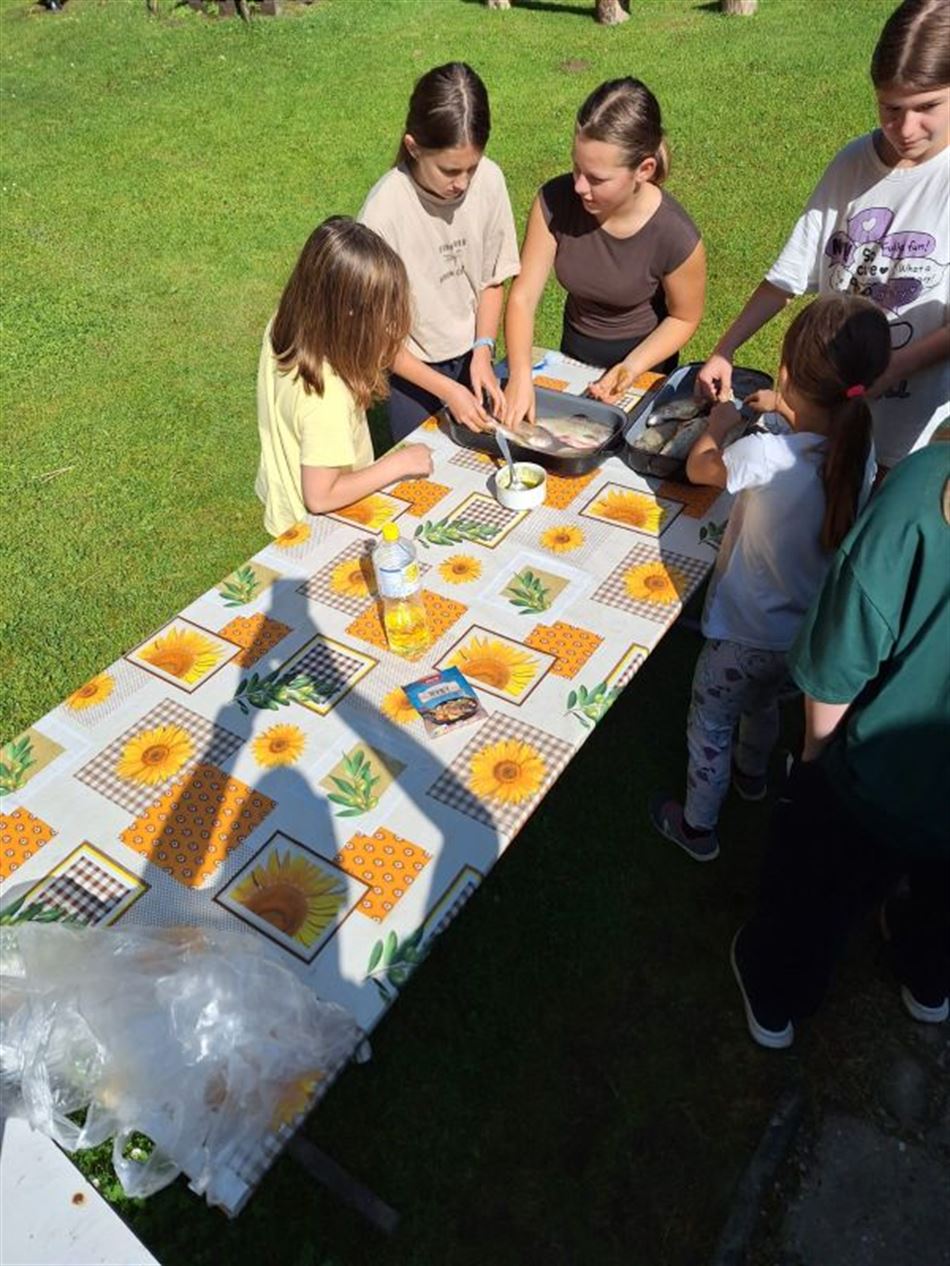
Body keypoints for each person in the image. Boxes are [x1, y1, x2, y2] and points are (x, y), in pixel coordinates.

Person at [650, 295, 891, 861]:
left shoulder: (762, 454)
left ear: (784, 372)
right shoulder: (860, 448)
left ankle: (698, 827)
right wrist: (782, 409)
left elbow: (700, 469)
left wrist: (719, 425)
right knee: (761, 707)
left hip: (741, 633)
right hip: (802, 638)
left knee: (710, 724)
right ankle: (752, 775)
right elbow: (814, 436)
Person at [731, 443, 950, 1049]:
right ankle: (929, 979)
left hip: (876, 779)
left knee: (814, 898)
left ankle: (775, 996)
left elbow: (835, 667)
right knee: (940, 899)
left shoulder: (920, 492)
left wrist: (813, 762)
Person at [697, 0, 950, 474]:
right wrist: (725, 349)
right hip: (829, 424)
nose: (905, 128)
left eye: (927, 107)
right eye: (891, 108)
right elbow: (787, 276)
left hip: (909, 441)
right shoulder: (852, 163)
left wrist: (893, 368)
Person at [503, 77, 705, 425]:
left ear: (644, 170)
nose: (580, 187)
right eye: (576, 168)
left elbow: (684, 317)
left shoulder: (676, 235)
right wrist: (520, 375)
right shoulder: (554, 201)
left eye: (596, 179)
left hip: (643, 370)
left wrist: (631, 367)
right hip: (572, 359)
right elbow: (523, 297)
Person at [359, 62, 521, 441]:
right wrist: (447, 389)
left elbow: (491, 280)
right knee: (425, 462)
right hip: (411, 371)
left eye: (471, 168)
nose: (462, 183)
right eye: (449, 171)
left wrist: (483, 349)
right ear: (413, 147)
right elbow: (379, 337)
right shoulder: (382, 213)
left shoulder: (490, 180)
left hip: (474, 351)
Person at [255, 217, 433, 537]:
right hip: (319, 529)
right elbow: (321, 496)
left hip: (286, 500)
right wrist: (400, 463)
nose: (390, 326)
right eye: (382, 316)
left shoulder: (287, 324)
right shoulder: (328, 396)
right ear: (350, 317)